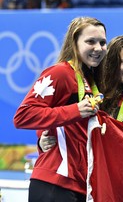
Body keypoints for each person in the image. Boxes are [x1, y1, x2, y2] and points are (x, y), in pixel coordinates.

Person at [13, 16, 107, 202]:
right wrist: (75, 111)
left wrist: (43, 136)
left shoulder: (94, 81)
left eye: (102, 42)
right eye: (90, 41)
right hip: (55, 183)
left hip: (82, 184)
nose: (98, 48)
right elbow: (23, 115)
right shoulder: (60, 73)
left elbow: (66, 124)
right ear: (74, 43)